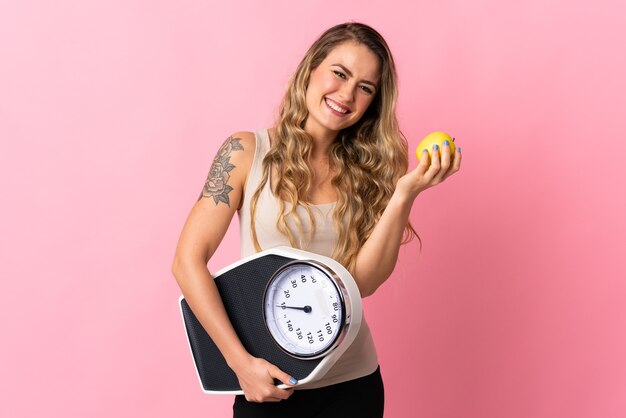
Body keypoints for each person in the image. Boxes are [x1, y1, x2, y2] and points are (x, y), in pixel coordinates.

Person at [172, 21, 461, 418]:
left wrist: (403, 194)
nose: (346, 94)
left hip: (354, 383)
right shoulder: (245, 151)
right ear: (311, 69)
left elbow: (362, 283)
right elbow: (187, 261)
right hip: (269, 383)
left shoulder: (369, 174)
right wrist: (239, 363)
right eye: (339, 73)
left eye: (365, 87)